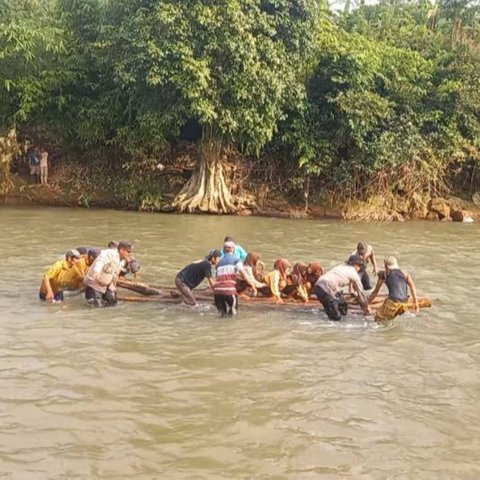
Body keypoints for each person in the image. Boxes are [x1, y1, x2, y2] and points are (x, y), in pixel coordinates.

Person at [314, 255, 371, 321]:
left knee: (342, 306)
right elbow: (361, 295)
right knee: (336, 318)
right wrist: (366, 308)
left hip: (318, 287)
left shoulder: (340, 267)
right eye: (360, 266)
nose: (360, 269)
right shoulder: (354, 273)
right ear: (356, 265)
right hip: (326, 288)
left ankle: (330, 315)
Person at [368, 255, 420, 322]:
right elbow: (412, 287)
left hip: (392, 303)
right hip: (404, 303)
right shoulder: (405, 274)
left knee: (377, 319)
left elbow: (375, 292)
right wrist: (416, 303)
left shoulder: (384, 275)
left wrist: (367, 304)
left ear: (386, 266)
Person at [84, 241, 133, 307]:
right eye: (128, 252)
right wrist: (96, 273)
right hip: (95, 284)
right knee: (96, 308)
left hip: (108, 286)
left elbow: (116, 272)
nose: (130, 254)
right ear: (121, 250)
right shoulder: (108, 254)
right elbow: (100, 262)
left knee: (113, 304)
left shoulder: (123, 260)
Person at [213, 241, 246, 315]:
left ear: (224, 250)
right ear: (233, 249)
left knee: (222, 314)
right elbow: (244, 274)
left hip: (217, 293)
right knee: (233, 313)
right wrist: (252, 285)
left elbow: (215, 278)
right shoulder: (236, 260)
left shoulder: (218, 263)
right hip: (229, 291)